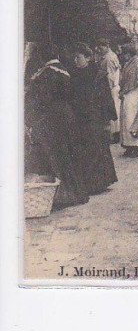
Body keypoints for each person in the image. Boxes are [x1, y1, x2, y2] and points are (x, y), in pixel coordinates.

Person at [24, 44, 89, 210]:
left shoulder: (47, 73)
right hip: (66, 116)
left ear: (42, 57)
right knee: (68, 154)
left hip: (52, 118)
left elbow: (43, 99)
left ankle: (64, 195)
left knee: (56, 155)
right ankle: (76, 192)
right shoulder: (63, 70)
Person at [69, 43, 118, 194]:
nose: (75, 60)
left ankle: (99, 183)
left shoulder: (97, 74)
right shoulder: (73, 74)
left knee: (97, 148)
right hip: (81, 117)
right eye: (74, 58)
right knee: (85, 150)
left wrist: (108, 118)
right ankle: (89, 183)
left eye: (78, 57)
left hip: (95, 116)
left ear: (88, 58)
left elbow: (106, 96)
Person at [95, 39, 121, 142]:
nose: (99, 49)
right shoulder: (111, 56)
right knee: (114, 109)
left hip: (111, 88)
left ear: (107, 46)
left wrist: (107, 89)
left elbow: (110, 76)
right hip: (114, 87)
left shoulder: (108, 58)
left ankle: (115, 134)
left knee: (112, 110)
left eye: (101, 47)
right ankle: (115, 133)